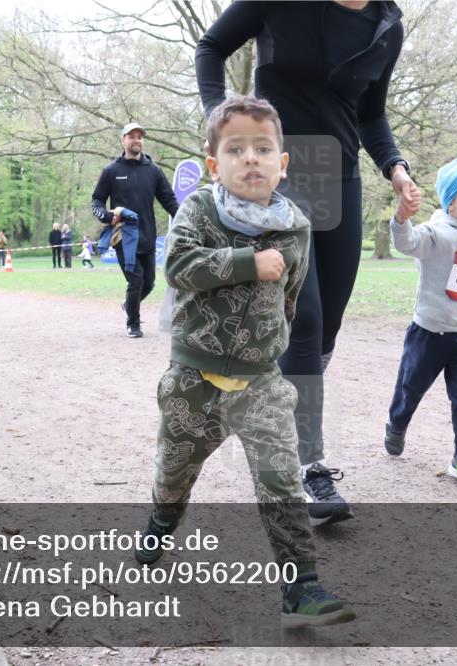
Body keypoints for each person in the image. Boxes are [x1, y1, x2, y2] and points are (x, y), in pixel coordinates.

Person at [196, 0, 421, 524]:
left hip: (338, 177)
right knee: (307, 317)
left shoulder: (387, 25)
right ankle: (308, 466)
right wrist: (219, 120)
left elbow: (371, 114)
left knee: (325, 331)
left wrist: (396, 167)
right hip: (274, 172)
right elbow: (210, 48)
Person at [136, 95, 356, 628]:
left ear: (283, 162)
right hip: (194, 380)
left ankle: (300, 588)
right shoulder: (198, 210)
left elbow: (291, 296)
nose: (251, 158)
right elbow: (181, 266)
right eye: (236, 149)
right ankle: (161, 525)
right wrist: (247, 262)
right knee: (175, 472)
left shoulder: (296, 226)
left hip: (260, 381)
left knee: (280, 477)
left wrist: (266, 344)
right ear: (215, 164)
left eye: (263, 148)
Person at [383, 157, 457, 487]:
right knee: (410, 390)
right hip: (429, 334)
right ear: (450, 201)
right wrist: (402, 219)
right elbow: (407, 243)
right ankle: (397, 423)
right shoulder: (436, 233)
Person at [91, 122, 180, 338]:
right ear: (123, 140)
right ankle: (133, 324)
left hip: (147, 235)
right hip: (123, 236)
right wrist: (107, 216)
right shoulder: (111, 171)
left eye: (140, 136)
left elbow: (169, 200)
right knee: (136, 280)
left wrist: (185, 219)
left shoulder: (154, 171)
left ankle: (130, 305)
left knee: (148, 283)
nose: (136, 140)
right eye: (131, 136)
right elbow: (97, 201)